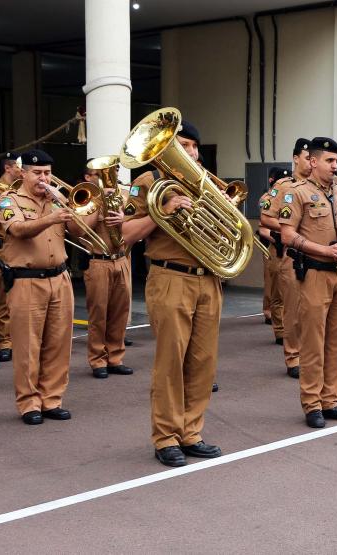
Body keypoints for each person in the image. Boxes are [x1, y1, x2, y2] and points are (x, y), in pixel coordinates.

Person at [122, 121, 224, 465]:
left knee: (203, 362)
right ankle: (166, 436)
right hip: (171, 278)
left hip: (209, 279)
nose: (192, 153)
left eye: (195, 147)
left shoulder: (205, 183)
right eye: (184, 145)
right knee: (171, 361)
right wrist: (161, 212)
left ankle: (191, 432)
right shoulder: (147, 183)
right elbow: (127, 234)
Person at [279, 137, 337, 428]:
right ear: (313, 161)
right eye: (330, 161)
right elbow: (287, 236)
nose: (335, 167)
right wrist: (324, 250)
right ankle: (312, 403)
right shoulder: (296, 193)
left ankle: (331, 400)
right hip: (315, 272)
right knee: (314, 343)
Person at [0, 149, 77, 423]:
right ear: (23, 173)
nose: (44, 178)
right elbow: (18, 230)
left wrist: (75, 208)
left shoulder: (56, 199)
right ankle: (29, 403)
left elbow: (78, 231)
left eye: (47, 173)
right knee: (28, 346)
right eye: (37, 173)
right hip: (27, 280)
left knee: (59, 343)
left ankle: (51, 399)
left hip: (60, 277)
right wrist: (51, 218)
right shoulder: (9, 200)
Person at [260, 138, 312, 379]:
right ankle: (293, 357)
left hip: (316, 255)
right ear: (295, 158)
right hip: (291, 254)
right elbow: (266, 218)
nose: (311, 161)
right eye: (306, 157)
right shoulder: (283, 186)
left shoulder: (318, 186)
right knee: (292, 307)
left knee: (312, 308)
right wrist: (291, 226)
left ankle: (311, 354)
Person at [81, 162, 133, 379]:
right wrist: (101, 200)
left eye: (114, 172)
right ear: (88, 177)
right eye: (100, 174)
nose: (110, 177)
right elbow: (80, 227)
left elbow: (137, 221)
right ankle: (97, 360)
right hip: (98, 260)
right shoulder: (85, 197)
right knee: (99, 313)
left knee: (120, 313)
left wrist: (124, 218)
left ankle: (115, 357)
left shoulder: (126, 193)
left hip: (121, 258)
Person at [0, 152, 22, 361]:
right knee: (5, 297)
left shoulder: (24, 186)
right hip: (3, 245)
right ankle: (5, 342)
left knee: (25, 298)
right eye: (19, 167)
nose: (22, 170)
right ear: (8, 168)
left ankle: (22, 340)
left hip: (24, 246)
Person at [259, 167, 291, 348]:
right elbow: (264, 225)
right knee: (275, 286)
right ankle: (278, 327)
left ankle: (287, 325)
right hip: (274, 245)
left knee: (289, 290)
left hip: (290, 245)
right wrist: (278, 237)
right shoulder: (266, 199)